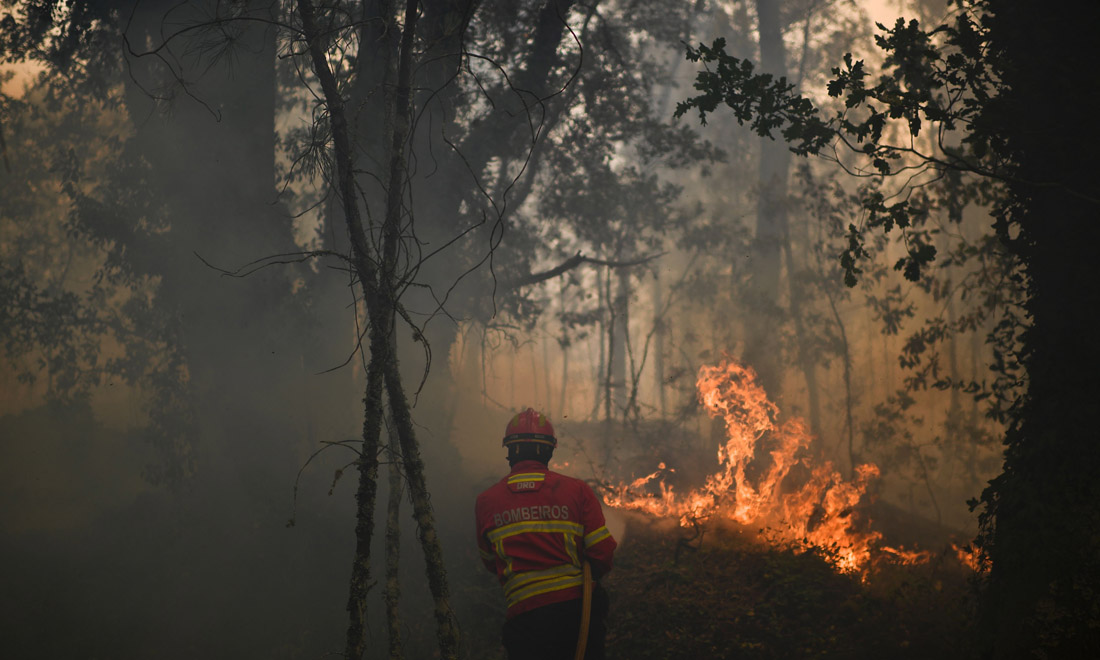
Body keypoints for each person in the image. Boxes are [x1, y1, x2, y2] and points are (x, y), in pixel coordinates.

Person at [475, 408, 617, 660]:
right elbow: (602, 553)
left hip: (525, 622)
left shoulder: (486, 501)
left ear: (509, 451)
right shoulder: (576, 491)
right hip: (576, 617)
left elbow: (489, 562)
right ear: (550, 450)